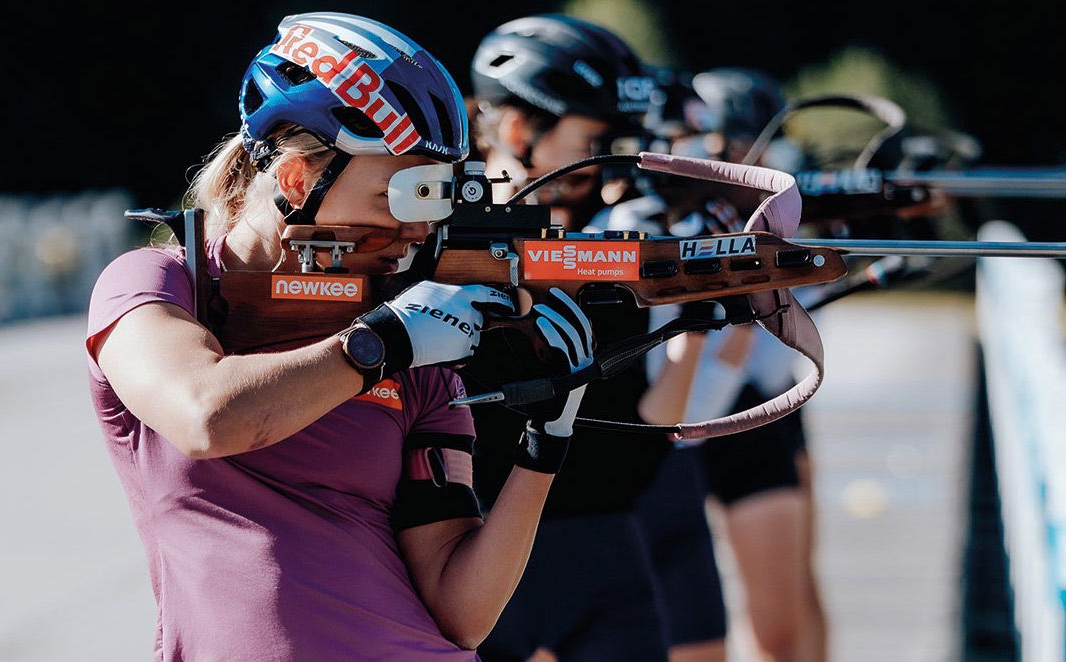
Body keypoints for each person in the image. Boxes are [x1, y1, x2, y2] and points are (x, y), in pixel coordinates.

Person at [84, 13, 595, 660]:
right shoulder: (159, 283)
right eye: (399, 196)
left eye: (436, 199)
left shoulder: (411, 336)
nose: (419, 231)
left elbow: (463, 613)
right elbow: (206, 416)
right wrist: (380, 344)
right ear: (298, 181)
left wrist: (544, 443)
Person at [464, 15, 709, 662]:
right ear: (519, 130)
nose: (612, 165)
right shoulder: (433, 242)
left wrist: (696, 311)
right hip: (472, 558)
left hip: (603, 552)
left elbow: (643, 443)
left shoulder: (609, 236)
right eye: (597, 141)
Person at [652, 67, 828, 662]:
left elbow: (783, 368)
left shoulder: (777, 211)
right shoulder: (656, 214)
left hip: (756, 421)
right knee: (688, 636)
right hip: (669, 431)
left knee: (785, 614)